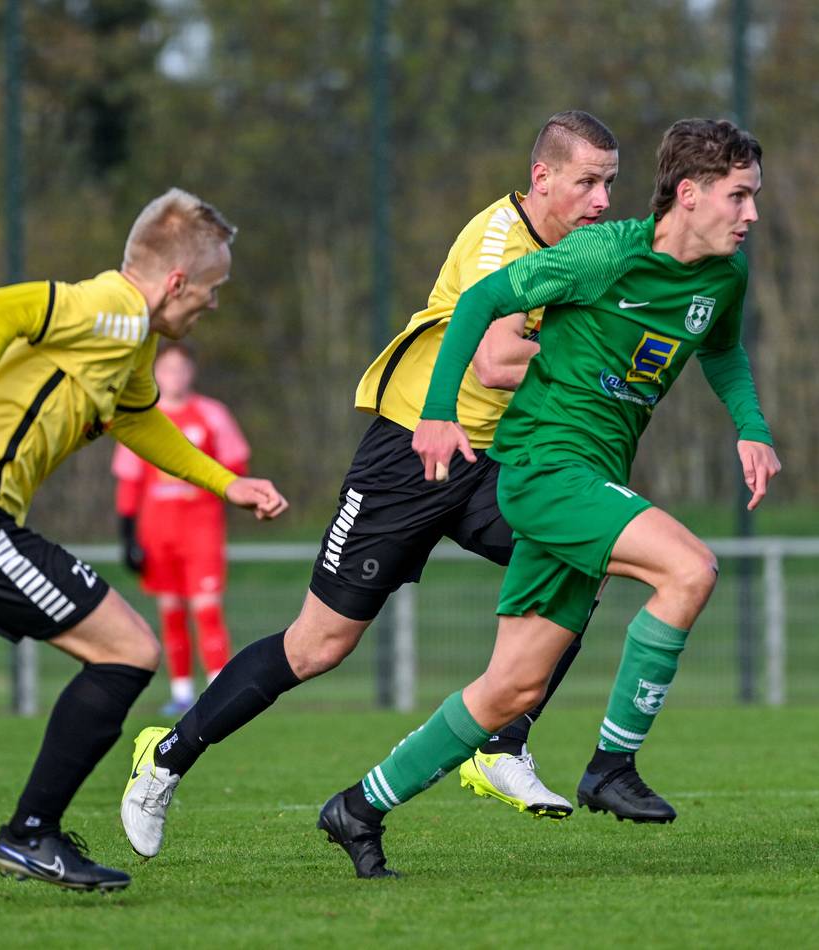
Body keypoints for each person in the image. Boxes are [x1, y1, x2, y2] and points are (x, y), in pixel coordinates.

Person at [120, 111, 621, 860]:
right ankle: (165, 758)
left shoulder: (582, 248)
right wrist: (600, 368)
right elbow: (492, 362)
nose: (603, 200)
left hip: (495, 461)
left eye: (611, 183)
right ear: (542, 177)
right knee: (318, 646)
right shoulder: (499, 242)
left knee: (588, 554)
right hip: (409, 452)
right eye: (588, 181)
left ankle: (502, 744)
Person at [316, 117, 781, 878]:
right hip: (542, 468)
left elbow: (722, 348)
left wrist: (751, 429)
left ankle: (358, 808)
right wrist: (436, 413)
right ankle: (610, 767)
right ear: (690, 195)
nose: (752, 214)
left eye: (754, 197)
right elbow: (478, 305)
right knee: (689, 569)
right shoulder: (602, 253)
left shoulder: (724, 277)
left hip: (593, 475)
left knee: (511, 689)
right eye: (739, 196)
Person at [0, 188, 288, 891]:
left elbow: (137, 421)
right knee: (129, 650)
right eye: (211, 288)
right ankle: (31, 834)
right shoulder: (109, 309)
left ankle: (32, 834)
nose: (213, 304)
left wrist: (225, 483)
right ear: (174, 283)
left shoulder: (130, 343)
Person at [112, 339, 250, 716]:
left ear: (192, 373)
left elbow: (236, 465)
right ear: (156, 373)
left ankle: (221, 692)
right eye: (167, 369)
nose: (175, 376)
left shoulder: (212, 414)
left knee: (206, 610)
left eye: (181, 369)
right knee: (171, 613)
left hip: (201, 528)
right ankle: (182, 693)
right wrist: (127, 537)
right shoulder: (142, 417)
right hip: (158, 532)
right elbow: (129, 480)